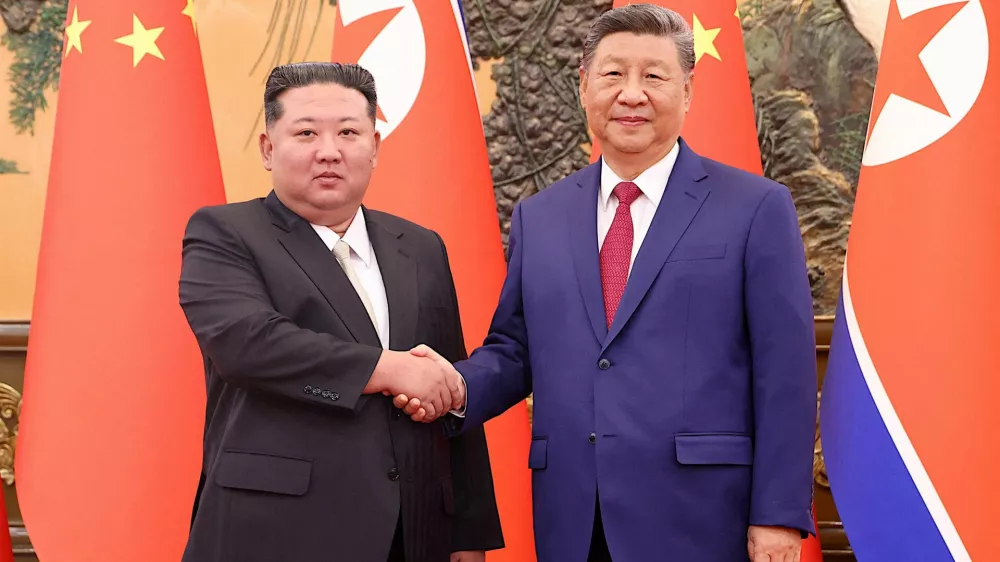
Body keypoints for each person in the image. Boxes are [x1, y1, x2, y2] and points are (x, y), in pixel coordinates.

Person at [396, 4, 817, 561]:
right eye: (614, 74)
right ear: (584, 86)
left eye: (654, 76)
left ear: (687, 91)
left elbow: (784, 371)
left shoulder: (755, 207)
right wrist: (452, 386)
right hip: (575, 516)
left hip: (705, 516)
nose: (632, 94)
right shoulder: (539, 216)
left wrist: (779, 514)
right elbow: (516, 349)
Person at [178, 61, 502, 562]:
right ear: (268, 148)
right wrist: (390, 369)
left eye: (349, 132)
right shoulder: (225, 232)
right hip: (276, 533)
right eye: (306, 132)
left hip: (413, 533)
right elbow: (248, 344)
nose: (328, 151)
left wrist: (470, 535)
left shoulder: (419, 246)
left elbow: (443, 376)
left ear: (374, 146)